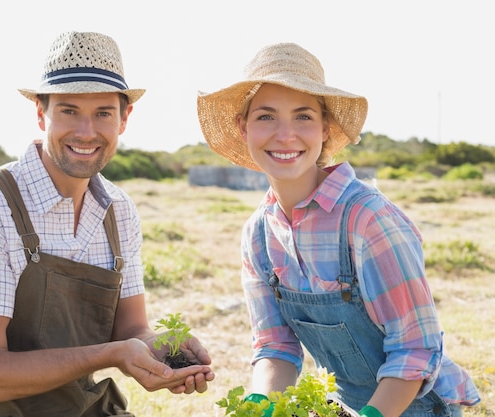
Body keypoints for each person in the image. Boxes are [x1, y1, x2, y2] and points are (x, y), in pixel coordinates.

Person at [0, 31, 213, 417]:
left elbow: (130, 330)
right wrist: (114, 354)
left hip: (82, 404)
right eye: (68, 111)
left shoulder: (119, 211)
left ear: (124, 118)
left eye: (103, 113)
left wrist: (161, 348)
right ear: (40, 112)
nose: (86, 132)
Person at [197, 42, 480, 417]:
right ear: (242, 127)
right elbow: (275, 346)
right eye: (266, 117)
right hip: (344, 406)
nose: (285, 135)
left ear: (325, 128)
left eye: (303, 117)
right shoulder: (258, 236)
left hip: (413, 407)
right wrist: (261, 405)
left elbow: (416, 349)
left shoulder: (367, 218)